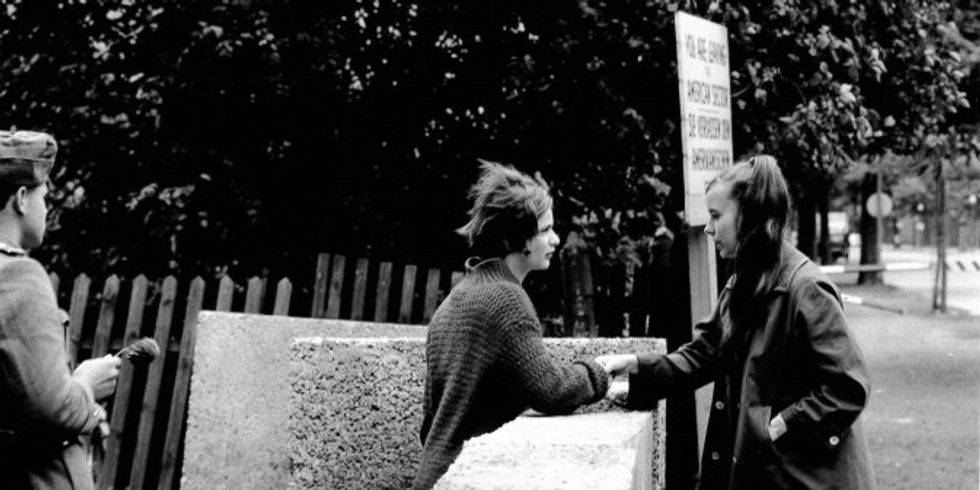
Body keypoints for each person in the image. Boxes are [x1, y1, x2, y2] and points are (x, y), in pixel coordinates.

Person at [597, 155, 876, 489]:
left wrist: (779, 427)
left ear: (750, 216)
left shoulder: (806, 287)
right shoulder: (745, 280)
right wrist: (634, 366)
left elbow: (848, 386)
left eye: (716, 215)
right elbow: (703, 355)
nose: (709, 228)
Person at [413, 161, 609, 489]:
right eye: (546, 231)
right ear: (518, 238)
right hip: (469, 479)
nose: (557, 240)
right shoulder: (506, 301)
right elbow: (552, 389)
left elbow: (430, 420)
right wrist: (600, 371)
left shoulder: (455, 299)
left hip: (435, 476)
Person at [0, 130, 122, 489]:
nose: (46, 207)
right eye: (45, 197)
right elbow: (54, 407)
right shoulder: (18, 275)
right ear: (22, 199)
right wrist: (87, 384)